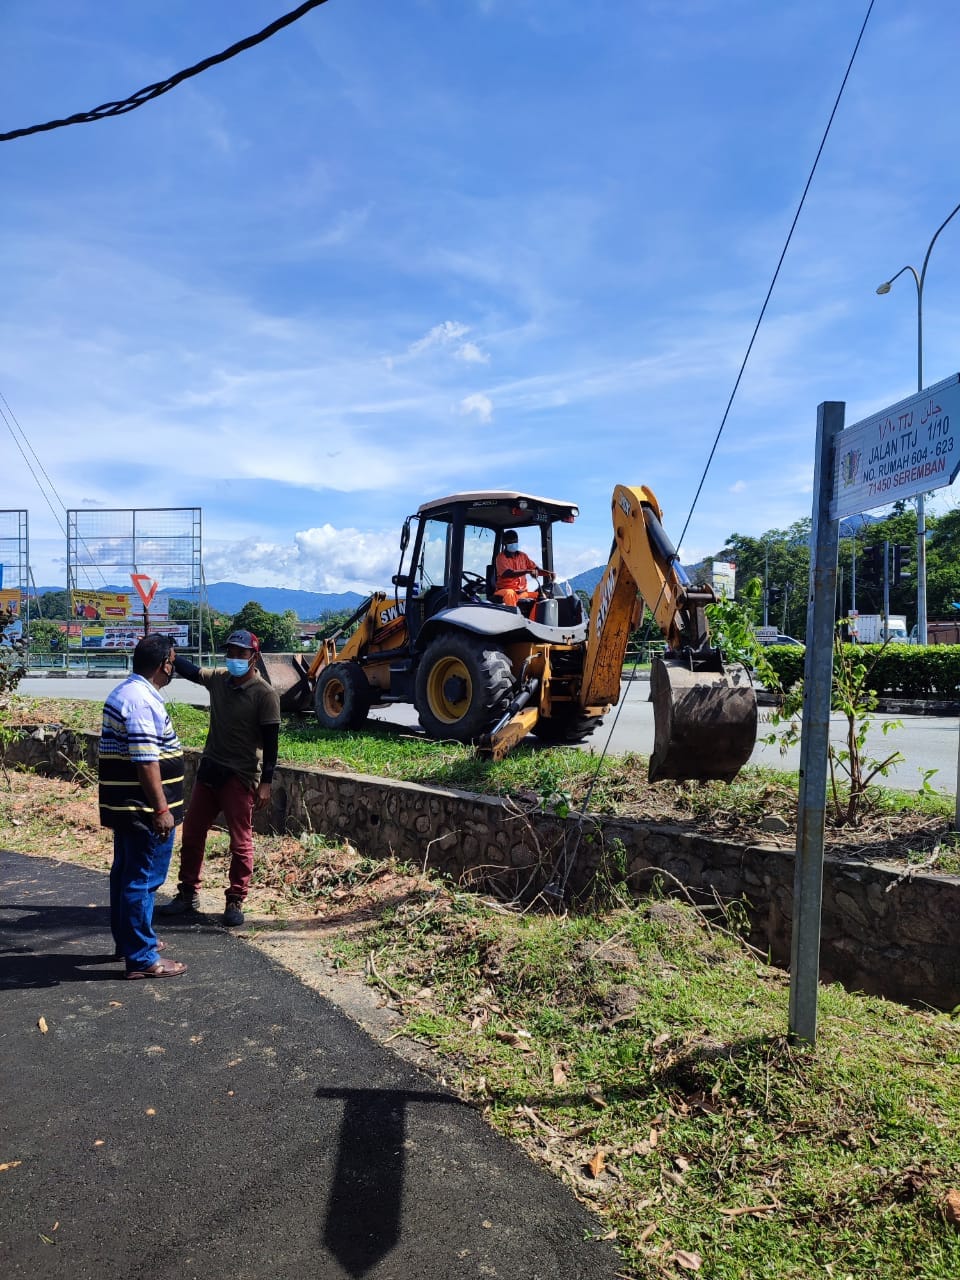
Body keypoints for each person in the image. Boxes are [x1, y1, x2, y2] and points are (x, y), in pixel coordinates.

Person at [159, 629, 281, 927]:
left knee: (240, 842)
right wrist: (170, 653)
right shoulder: (219, 679)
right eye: (232, 653)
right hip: (210, 770)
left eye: (242, 653)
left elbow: (272, 742)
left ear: (255, 657)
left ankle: (236, 899)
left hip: (240, 776)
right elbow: (191, 672)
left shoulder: (265, 695)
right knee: (192, 833)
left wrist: (266, 782)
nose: (235, 658)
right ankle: (188, 893)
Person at [98, 633, 187, 979]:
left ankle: (130, 939)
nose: (174, 669)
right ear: (162, 664)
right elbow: (146, 760)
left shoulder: (126, 691)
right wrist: (162, 809)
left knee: (126, 874)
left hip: (127, 807)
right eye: (173, 662)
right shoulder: (141, 701)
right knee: (143, 879)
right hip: (142, 810)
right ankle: (142, 957)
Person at [494, 529, 553, 608]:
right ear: (504, 543)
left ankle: (534, 620)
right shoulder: (501, 558)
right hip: (505, 590)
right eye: (510, 542)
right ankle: (512, 618)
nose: (513, 544)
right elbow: (507, 573)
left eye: (515, 541)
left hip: (522, 592)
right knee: (510, 594)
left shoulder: (523, 556)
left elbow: (536, 569)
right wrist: (527, 571)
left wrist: (548, 573)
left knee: (542, 597)